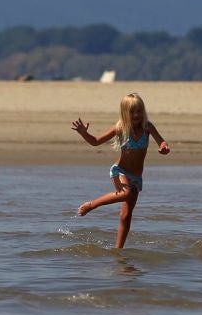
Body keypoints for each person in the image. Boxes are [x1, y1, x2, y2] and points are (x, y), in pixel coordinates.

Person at [71, 92, 170, 249]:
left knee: (126, 216)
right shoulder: (120, 128)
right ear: (125, 113)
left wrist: (164, 148)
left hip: (136, 178)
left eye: (139, 111)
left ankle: (118, 250)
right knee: (125, 193)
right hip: (120, 171)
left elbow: (162, 142)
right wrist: (84, 134)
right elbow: (96, 142)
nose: (136, 115)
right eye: (132, 112)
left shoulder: (147, 127)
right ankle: (91, 205)